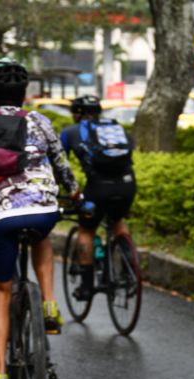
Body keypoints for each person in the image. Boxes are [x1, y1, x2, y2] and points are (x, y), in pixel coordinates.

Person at [0, 58, 80, 379]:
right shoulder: (40, 121)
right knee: (42, 235)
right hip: (42, 209)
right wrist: (76, 194)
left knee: (1, 291)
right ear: (24, 94)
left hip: (0, 216)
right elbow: (61, 165)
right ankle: (50, 305)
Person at [59, 95, 136, 302]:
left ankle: (86, 287)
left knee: (86, 229)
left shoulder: (70, 131)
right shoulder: (115, 128)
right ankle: (130, 271)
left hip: (98, 187)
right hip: (127, 184)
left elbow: (59, 164)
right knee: (118, 221)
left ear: (78, 114)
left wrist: (60, 191)